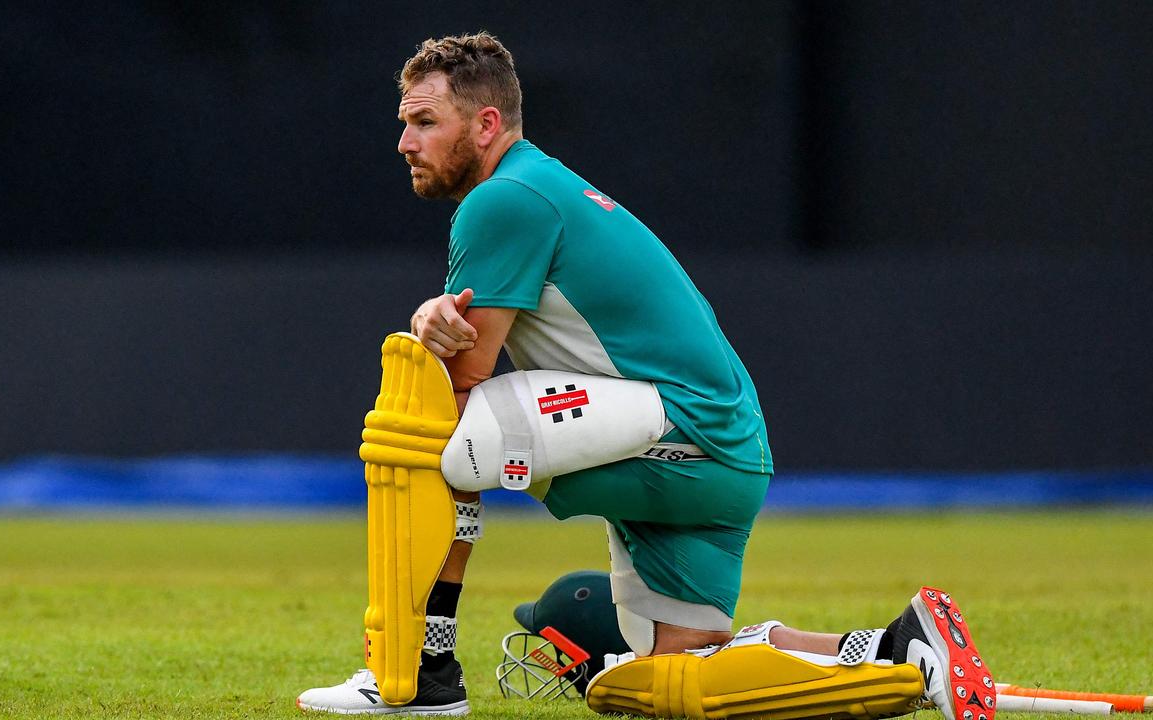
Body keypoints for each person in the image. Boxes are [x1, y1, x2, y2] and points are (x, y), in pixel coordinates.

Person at [296, 32, 993, 720]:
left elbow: (461, 375)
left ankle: (419, 671)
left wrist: (428, 321)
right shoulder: (539, 184)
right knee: (679, 672)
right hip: (725, 450)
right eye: (405, 123)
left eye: (424, 121)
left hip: (688, 434)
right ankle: (898, 650)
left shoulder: (504, 198)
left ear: (484, 125)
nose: (405, 143)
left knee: (434, 431)